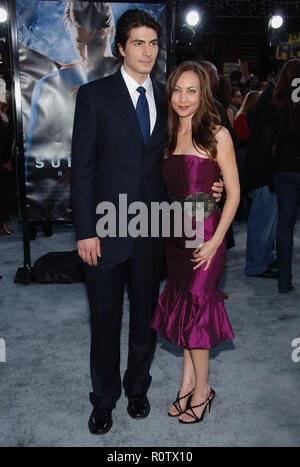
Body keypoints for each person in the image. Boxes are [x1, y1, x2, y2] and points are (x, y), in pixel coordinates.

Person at [71, 10, 224, 435]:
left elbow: (191, 157)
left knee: (145, 320)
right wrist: (84, 229)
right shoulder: (94, 96)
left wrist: (211, 190)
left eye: (153, 43)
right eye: (138, 42)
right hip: (102, 231)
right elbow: (81, 169)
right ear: (120, 48)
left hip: (154, 231)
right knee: (104, 322)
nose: (147, 51)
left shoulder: (169, 97)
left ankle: (137, 387)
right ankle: (104, 399)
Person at [151, 61, 240, 424]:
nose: (183, 98)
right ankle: (186, 383)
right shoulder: (168, 134)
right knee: (184, 308)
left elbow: (233, 194)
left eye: (192, 91)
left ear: (203, 95)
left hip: (206, 236)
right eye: (177, 90)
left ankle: (203, 390)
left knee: (198, 312)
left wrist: (216, 241)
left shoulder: (216, 134)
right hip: (176, 237)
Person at [25, 2, 119, 221]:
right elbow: (37, 161)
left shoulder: (129, 81)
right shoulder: (53, 84)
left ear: (110, 32)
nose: (87, 53)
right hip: (77, 188)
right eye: (80, 43)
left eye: (96, 42)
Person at [263, 59, 300, 293]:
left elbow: (267, 146)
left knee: (284, 227)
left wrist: (270, 176)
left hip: (285, 170)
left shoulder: (275, 106)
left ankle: (284, 283)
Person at [245, 79, 278, 279]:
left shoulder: (268, 98)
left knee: (267, 222)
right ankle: (256, 264)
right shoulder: (271, 102)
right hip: (262, 175)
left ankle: (262, 259)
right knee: (262, 223)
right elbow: (267, 145)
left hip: (261, 173)